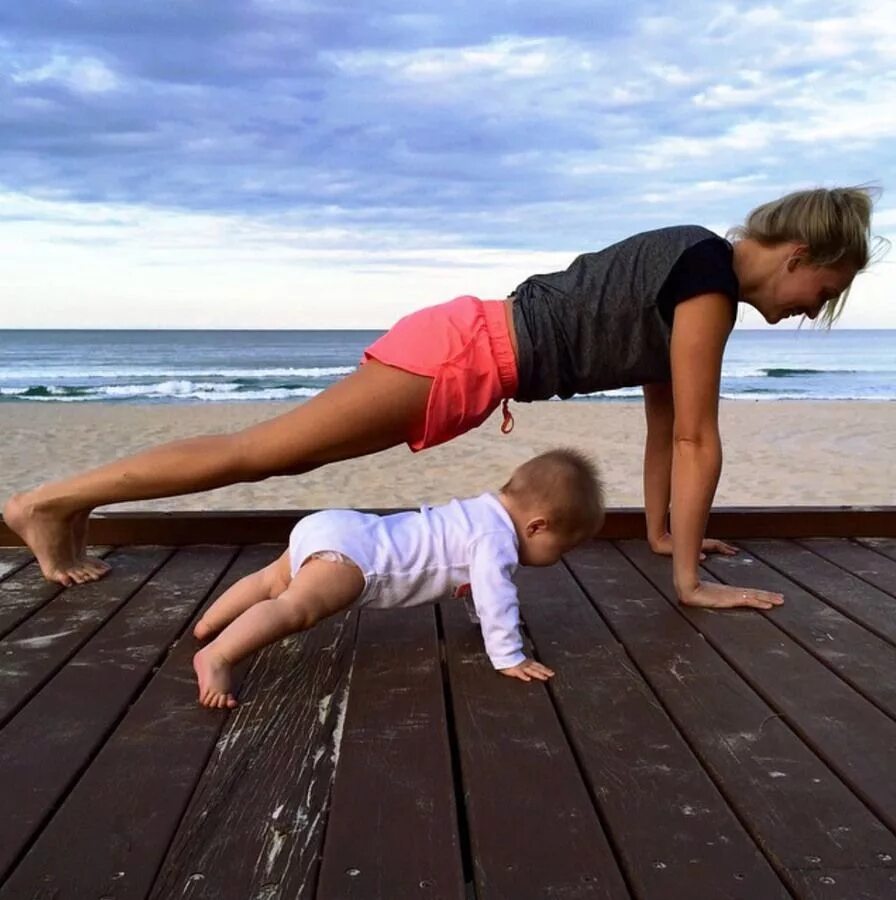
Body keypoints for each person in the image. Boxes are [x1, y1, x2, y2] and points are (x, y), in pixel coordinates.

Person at [3, 186, 878, 610]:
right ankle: (47, 500)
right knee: (260, 452)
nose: (811, 312)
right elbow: (695, 439)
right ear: (797, 253)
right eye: (823, 290)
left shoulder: (691, 272)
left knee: (266, 448)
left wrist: (659, 538)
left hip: (465, 352)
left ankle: (66, 505)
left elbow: (663, 428)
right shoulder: (707, 283)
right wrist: (689, 585)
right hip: (462, 357)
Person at [192, 448, 604, 708]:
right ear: (537, 527)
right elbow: (496, 596)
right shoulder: (496, 538)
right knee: (293, 609)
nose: (558, 559)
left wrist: (479, 617)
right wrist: (509, 655)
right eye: (561, 549)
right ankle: (218, 655)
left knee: (270, 581)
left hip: (339, 526)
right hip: (357, 563)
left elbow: (477, 587)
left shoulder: (480, 512)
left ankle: (210, 622)